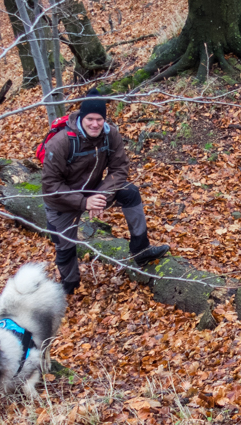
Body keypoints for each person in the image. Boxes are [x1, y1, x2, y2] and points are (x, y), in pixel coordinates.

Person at [41, 93, 169, 294]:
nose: (95, 124)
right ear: (82, 119)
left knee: (130, 192)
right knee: (64, 250)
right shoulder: (60, 142)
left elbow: (119, 169)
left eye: (99, 119)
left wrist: (99, 198)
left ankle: (141, 251)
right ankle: (70, 286)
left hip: (95, 191)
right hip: (61, 201)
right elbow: (50, 185)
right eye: (90, 119)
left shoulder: (111, 135)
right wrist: (84, 203)